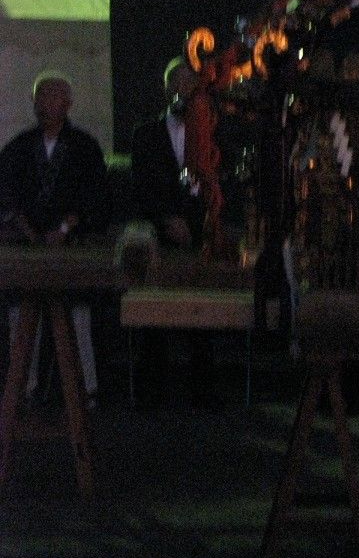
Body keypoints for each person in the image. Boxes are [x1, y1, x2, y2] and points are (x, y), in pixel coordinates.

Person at [0, 71, 109, 406]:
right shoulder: (18, 148)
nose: (47, 102)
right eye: (42, 96)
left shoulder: (85, 148)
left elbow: (95, 197)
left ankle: (84, 388)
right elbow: (6, 195)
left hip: (70, 246)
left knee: (77, 314)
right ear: (34, 103)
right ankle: (24, 387)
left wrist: (65, 228)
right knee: (20, 313)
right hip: (28, 246)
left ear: (68, 102)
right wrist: (28, 231)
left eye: (55, 95)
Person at [129, 58, 221, 409]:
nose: (185, 90)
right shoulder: (147, 134)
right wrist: (167, 218)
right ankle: (154, 392)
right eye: (178, 83)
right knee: (154, 310)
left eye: (191, 83)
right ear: (167, 88)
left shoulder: (210, 130)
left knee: (204, 311)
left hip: (201, 233)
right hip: (160, 233)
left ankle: (203, 390)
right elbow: (143, 185)